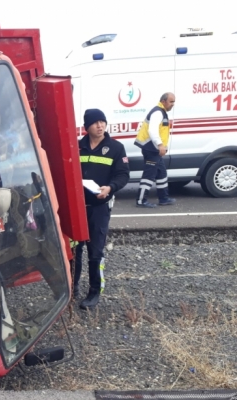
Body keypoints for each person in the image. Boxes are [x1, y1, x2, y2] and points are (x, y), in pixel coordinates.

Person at [75, 109, 130, 309]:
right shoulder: (76, 147)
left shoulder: (116, 148)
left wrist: (110, 188)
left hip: (99, 207)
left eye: (102, 122)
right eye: (95, 122)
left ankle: (94, 292)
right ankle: (72, 289)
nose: (100, 126)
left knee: (95, 251)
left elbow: (123, 175)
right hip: (77, 208)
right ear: (86, 127)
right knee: (75, 249)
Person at [134, 92, 177, 208]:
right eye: (171, 101)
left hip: (154, 149)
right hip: (151, 149)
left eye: (174, 102)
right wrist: (160, 145)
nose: (173, 104)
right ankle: (141, 200)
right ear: (163, 101)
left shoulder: (161, 112)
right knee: (149, 175)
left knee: (161, 173)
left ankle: (163, 198)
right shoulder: (158, 112)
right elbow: (152, 131)